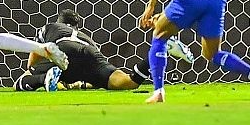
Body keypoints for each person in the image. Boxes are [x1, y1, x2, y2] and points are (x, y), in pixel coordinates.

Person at [13, 9, 195, 92]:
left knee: (20, 82)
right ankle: (161, 46)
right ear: (77, 26)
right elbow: (92, 76)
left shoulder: (50, 27)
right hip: (91, 54)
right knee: (128, 82)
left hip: (61, 49)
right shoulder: (86, 37)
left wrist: (32, 70)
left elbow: (37, 51)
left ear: (59, 21)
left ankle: (43, 78)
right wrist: (79, 84)